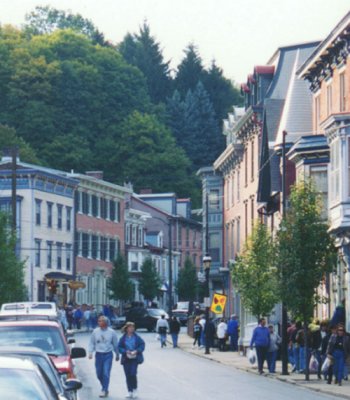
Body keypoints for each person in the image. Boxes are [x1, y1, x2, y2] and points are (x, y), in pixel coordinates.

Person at [88, 315, 119, 398]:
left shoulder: (112, 332)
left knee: (106, 373)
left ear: (105, 322)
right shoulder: (95, 331)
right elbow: (91, 343)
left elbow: (115, 344)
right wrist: (90, 352)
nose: (99, 322)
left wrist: (117, 354)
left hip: (108, 354)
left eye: (101, 321)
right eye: (98, 321)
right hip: (98, 354)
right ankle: (104, 387)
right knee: (99, 374)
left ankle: (104, 389)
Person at [118, 322, 145, 399]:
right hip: (126, 358)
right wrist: (125, 351)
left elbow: (142, 345)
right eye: (130, 327)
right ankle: (129, 391)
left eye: (133, 327)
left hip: (134, 358)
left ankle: (135, 389)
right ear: (126, 328)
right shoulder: (123, 338)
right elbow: (119, 347)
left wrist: (137, 351)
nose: (132, 329)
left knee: (133, 373)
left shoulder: (137, 337)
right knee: (127, 375)